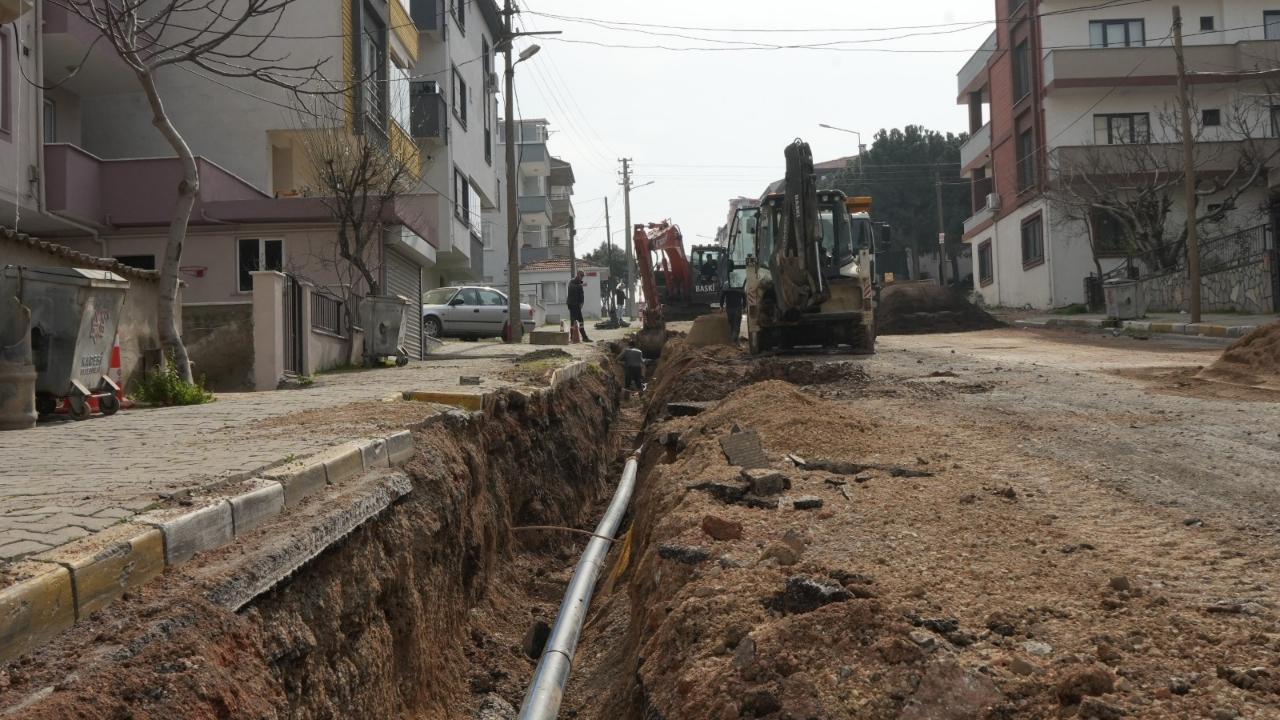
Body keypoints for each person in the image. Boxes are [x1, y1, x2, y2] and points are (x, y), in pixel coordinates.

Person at [567, 270, 590, 342]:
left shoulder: (579, 283)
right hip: (572, 304)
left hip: (577, 305)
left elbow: (581, 294)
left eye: (583, 276)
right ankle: (572, 337)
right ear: (577, 274)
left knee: (581, 321)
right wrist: (581, 285)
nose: (582, 277)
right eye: (581, 275)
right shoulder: (572, 282)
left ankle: (584, 337)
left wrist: (582, 302)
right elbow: (572, 288)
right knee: (573, 321)